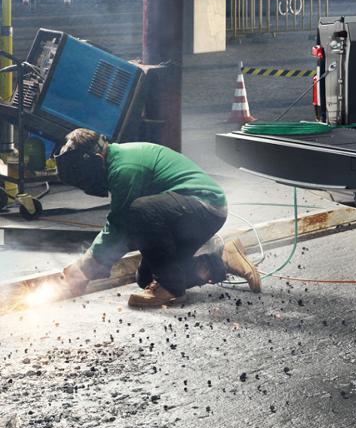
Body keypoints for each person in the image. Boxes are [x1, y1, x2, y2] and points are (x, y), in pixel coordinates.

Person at [49, 128, 260, 308]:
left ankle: (170, 288)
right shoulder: (116, 160)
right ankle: (219, 261)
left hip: (206, 207)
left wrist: (84, 269)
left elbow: (119, 225)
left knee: (139, 212)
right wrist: (93, 266)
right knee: (145, 278)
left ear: (96, 161)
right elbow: (127, 236)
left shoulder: (124, 168)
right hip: (184, 213)